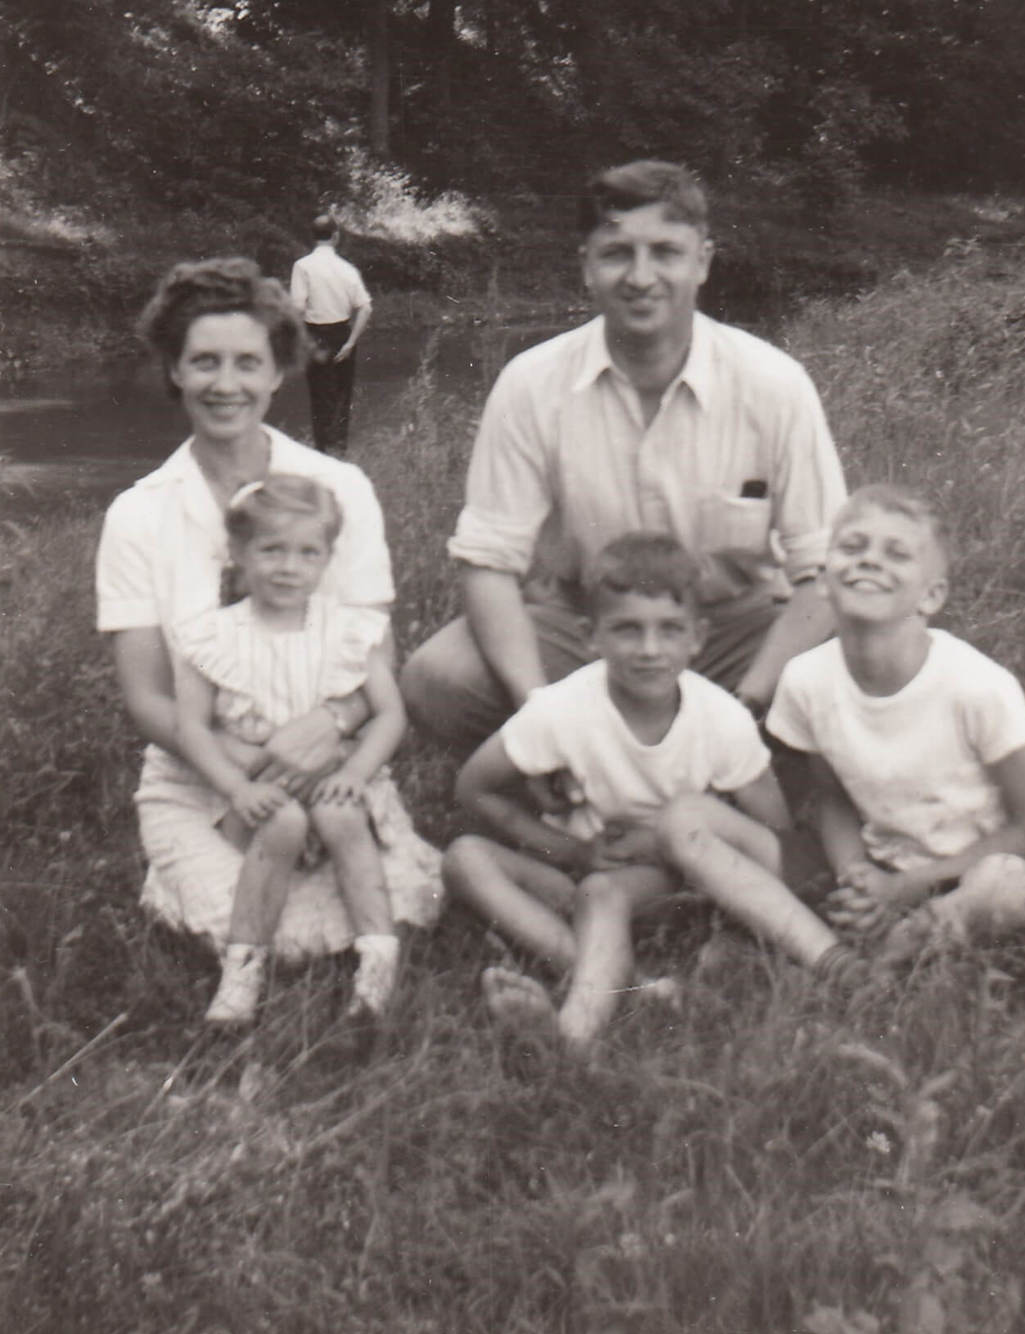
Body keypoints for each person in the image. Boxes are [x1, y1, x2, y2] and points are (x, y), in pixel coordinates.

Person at [402, 160, 847, 754]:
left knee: (860, 663)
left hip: (731, 630)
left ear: (703, 262)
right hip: (586, 629)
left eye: (666, 251)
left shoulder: (773, 384)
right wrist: (540, 710)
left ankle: (743, 790)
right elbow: (487, 563)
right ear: (586, 265)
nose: (641, 277)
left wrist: (749, 703)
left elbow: (827, 572)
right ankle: (562, 783)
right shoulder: (531, 384)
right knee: (439, 677)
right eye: (617, 253)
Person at [96, 256, 434, 961]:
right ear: (176, 372)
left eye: (248, 362)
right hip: (206, 772)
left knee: (390, 907)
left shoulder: (339, 486)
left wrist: (332, 729)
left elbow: (376, 657)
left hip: (331, 755)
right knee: (267, 932)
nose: (227, 384)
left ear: (278, 371)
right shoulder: (137, 514)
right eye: (204, 362)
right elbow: (147, 698)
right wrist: (250, 765)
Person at [443, 534, 860, 1051]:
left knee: (605, 893)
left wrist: (669, 844)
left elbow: (771, 831)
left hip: (672, 886)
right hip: (581, 869)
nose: (649, 650)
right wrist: (569, 850)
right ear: (590, 636)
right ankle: (635, 985)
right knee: (465, 858)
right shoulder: (562, 708)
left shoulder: (719, 718)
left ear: (698, 637)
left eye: (669, 631)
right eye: (627, 630)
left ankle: (571, 1036)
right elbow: (476, 789)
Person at [173, 475, 439, 1028]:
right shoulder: (213, 637)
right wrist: (238, 787)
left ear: (325, 560)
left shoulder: (346, 631)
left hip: (337, 779)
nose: (288, 567)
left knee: (340, 811)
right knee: (283, 820)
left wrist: (360, 770)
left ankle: (377, 964)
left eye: (307, 553)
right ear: (240, 555)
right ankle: (243, 970)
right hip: (259, 791)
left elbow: (390, 712)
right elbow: (192, 728)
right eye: (271, 550)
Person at [767, 484, 1025, 958]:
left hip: (975, 869)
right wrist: (858, 878)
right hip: (882, 861)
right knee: (727, 838)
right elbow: (832, 797)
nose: (869, 561)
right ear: (823, 579)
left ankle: (883, 957)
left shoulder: (976, 686)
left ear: (931, 596)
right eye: (852, 547)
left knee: (1004, 890)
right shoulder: (805, 681)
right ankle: (870, 933)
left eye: (896, 553)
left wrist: (906, 888)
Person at [290, 213, 372, 456]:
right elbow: (366, 307)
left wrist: (298, 339)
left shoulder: (302, 266)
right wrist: (351, 342)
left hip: (315, 335)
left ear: (312, 237)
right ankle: (340, 452)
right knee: (342, 398)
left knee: (320, 397)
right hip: (343, 334)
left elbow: (297, 307)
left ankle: (323, 453)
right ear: (336, 237)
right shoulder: (347, 269)